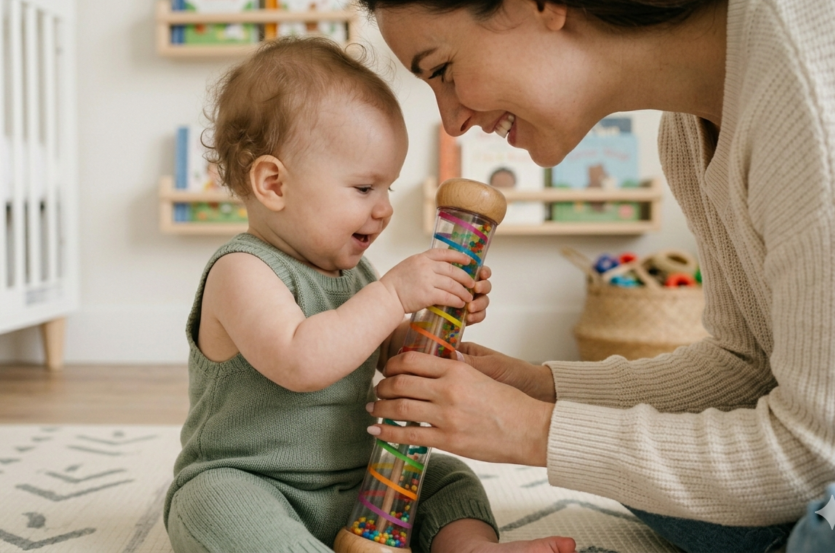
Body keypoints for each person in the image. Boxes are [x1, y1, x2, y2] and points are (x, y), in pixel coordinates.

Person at [358, 0, 835, 552]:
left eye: (443, 71)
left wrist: (535, 431)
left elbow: (830, 456)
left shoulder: (818, 96)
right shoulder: (686, 130)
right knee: (632, 463)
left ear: (538, 2)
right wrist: (541, 389)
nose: (453, 121)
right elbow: (747, 365)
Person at [163, 37, 576, 553]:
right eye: (364, 188)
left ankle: (472, 549)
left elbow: (384, 352)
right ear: (273, 183)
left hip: (360, 483)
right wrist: (394, 293)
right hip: (255, 483)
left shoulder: (355, 276)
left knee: (446, 474)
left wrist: (437, 321)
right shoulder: (241, 271)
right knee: (210, 503)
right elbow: (302, 360)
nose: (383, 210)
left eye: (389, 189)